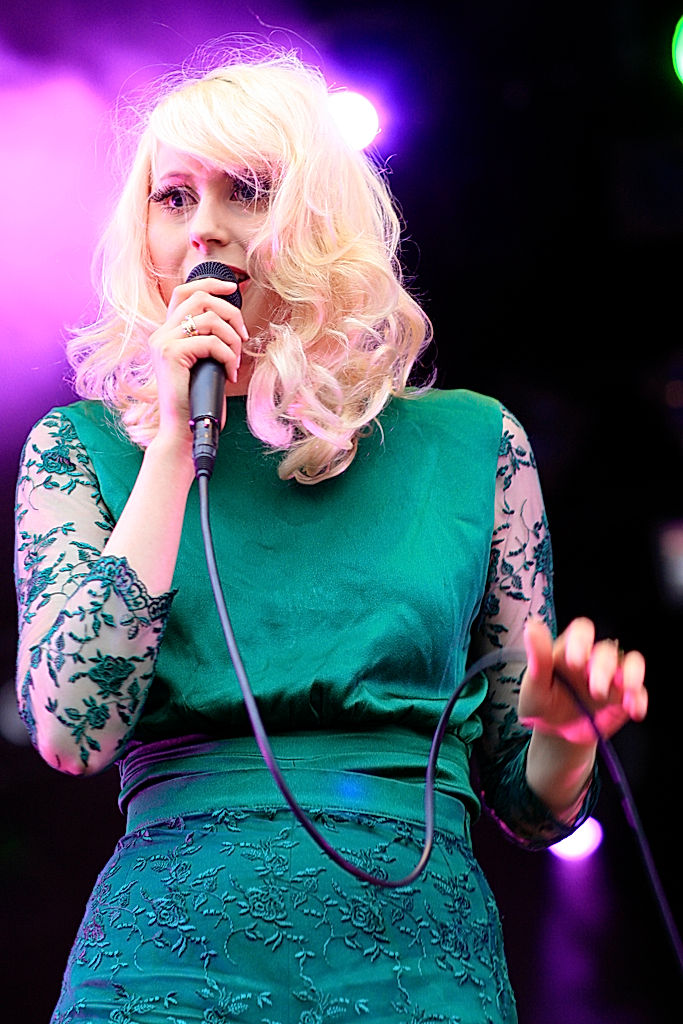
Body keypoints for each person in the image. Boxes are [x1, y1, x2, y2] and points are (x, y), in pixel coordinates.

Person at [14, 45, 647, 1024]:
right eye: (173, 197)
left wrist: (565, 734)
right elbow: (70, 727)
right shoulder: (82, 450)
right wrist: (176, 447)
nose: (205, 231)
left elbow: (526, 804)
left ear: (319, 221)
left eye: (248, 192)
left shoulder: (471, 446)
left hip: (415, 973)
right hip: (161, 974)